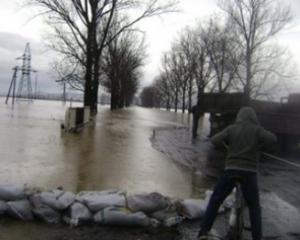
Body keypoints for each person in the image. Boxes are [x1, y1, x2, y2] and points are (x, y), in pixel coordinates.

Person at [198, 107, 277, 240]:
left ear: (239, 116)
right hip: (249, 172)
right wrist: (259, 144)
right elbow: (272, 139)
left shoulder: (232, 128)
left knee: (215, 200)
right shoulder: (257, 130)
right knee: (254, 207)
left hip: (231, 170)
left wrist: (226, 143)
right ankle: (257, 237)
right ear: (253, 117)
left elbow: (214, 140)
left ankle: (203, 232)